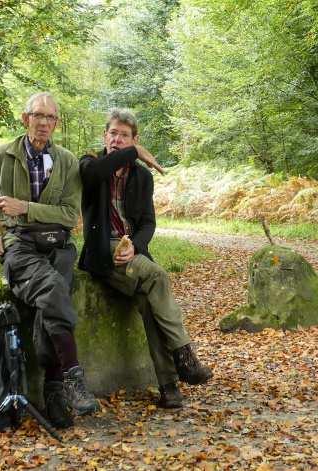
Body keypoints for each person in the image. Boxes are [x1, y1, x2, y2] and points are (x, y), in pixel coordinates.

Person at [0, 93, 161, 428]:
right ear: (25, 118)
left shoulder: (67, 161)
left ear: (56, 123)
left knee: (51, 302)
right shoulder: (2, 156)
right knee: (55, 289)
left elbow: (70, 215)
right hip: (21, 247)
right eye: (37, 115)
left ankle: (53, 388)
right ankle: (70, 378)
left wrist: (24, 207)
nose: (43, 122)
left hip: (59, 247)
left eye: (50, 117)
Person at [79, 108, 213, 409]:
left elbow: (148, 223)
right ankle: (185, 357)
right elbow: (94, 175)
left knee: (148, 303)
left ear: (133, 138)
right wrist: (135, 152)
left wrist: (136, 247)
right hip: (102, 253)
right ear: (105, 135)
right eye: (112, 133)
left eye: (124, 136)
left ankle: (169, 388)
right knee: (157, 276)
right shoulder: (90, 163)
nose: (116, 139)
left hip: (131, 254)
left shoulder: (141, 176)